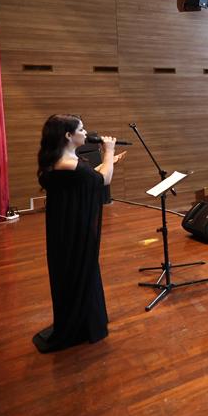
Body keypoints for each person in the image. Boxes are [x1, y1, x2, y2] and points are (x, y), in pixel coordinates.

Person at [33, 114, 125, 353]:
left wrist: (109, 159)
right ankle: (80, 327)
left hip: (66, 228)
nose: (86, 133)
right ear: (68, 135)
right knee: (81, 271)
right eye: (81, 129)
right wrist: (108, 152)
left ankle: (80, 322)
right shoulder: (69, 165)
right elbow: (102, 179)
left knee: (74, 274)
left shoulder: (58, 161)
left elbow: (85, 179)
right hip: (76, 231)